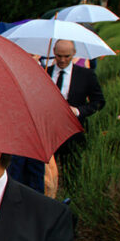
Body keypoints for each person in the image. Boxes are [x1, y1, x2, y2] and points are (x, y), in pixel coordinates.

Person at [47, 39, 105, 178]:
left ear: (74, 54)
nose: (62, 60)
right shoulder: (45, 73)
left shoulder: (86, 75)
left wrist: (78, 111)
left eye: (67, 56)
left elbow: (99, 102)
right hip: (48, 129)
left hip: (73, 130)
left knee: (71, 169)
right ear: (53, 52)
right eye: (59, 56)